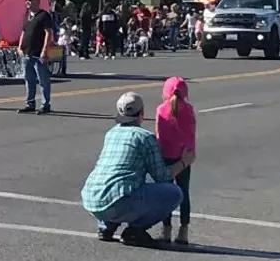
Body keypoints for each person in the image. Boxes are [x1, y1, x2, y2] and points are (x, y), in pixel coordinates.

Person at [81, 91, 192, 247]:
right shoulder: (145, 137)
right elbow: (163, 176)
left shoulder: (111, 133)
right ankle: (135, 230)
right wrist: (184, 162)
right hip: (120, 199)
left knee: (117, 184)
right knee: (174, 193)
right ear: (142, 113)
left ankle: (107, 226)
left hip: (92, 197)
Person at [155, 76, 197, 244]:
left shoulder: (161, 109)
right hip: (183, 158)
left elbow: (159, 135)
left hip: (166, 156)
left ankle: (166, 230)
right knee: (184, 193)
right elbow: (191, 134)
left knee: (166, 194)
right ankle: (183, 231)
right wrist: (190, 153)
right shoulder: (188, 109)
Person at [18, 0, 53, 115]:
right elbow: (23, 32)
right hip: (26, 53)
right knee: (29, 79)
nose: (27, 2)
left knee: (43, 80)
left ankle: (45, 104)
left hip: (38, 54)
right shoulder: (27, 16)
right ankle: (30, 103)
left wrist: (45, 50)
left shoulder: (44, 15)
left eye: (30, 0)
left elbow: (48, 33)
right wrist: (19, 46)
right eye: (26, 0)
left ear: (38, 1)